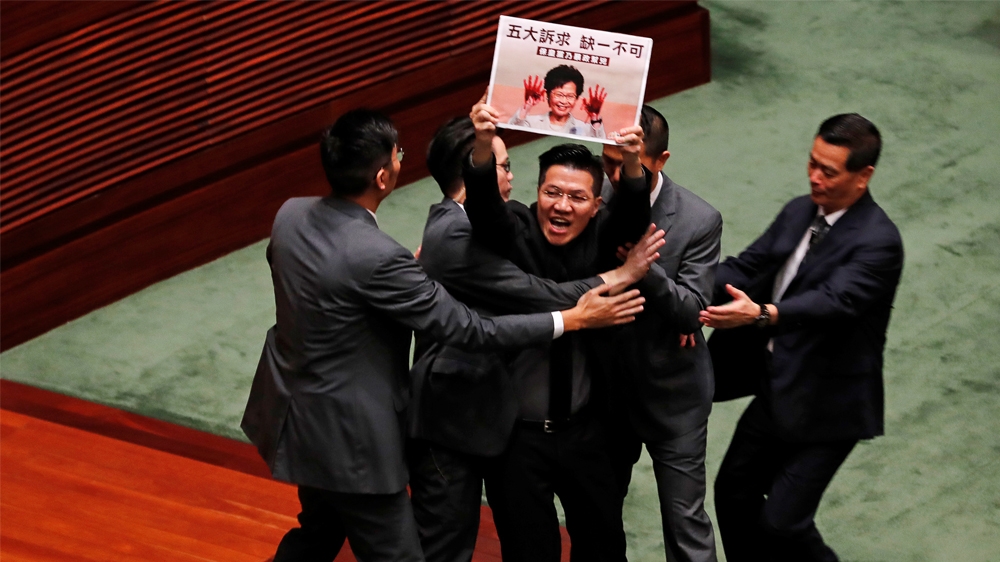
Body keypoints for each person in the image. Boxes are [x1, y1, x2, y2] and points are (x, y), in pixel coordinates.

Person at [239, 108, 647, 562]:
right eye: (397, 153)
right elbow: (470, 327)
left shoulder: (291, 215)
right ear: (382, 177)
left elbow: (302, 277)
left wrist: (399, 285)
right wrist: (571, 319)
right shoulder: (383, 255)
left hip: (296, 415)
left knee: (315, 533)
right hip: (356, 437)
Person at [408, 116, 665, 562]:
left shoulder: (607, 239)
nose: (562, 206)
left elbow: (632, 214)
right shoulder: (515, 229)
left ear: (596, 205)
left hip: (589, 432)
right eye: (552, 192)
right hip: (517, 441)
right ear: (537, 193)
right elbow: (486, 210)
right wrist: (484, 147)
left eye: (577, 197)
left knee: (604, 548)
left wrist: (630, 161)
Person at [700, 114, 904, 561]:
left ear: (863, 176)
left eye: (828, 171)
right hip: (778, 386)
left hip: (831, 406)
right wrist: (682, 285)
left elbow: (833, 301)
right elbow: (747, 267)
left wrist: (761, 315)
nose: (814, 177)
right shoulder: (799, 210)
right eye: (812, 163)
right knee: (733, 493)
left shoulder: (879, 242)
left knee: (783, 523)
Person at [599, 105, 723, 562]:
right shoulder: (594, 201)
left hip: (674, 396)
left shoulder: (699, 219)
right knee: (598, 519)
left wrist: (643, 269)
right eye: (607, 161)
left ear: (661, 160)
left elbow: (691, 311)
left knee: (685, 524)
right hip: (608, 395)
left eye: (624, 163)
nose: (613, 175)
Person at [509, 64, 606, 139]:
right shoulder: (531, 123)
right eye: (559, 95)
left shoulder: (585, 128)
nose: (564, 101)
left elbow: (600, 143)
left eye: (570, 96)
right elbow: (510, 133)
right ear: (548, 95)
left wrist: (595, 117)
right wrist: (526, 107)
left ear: (576, 99)